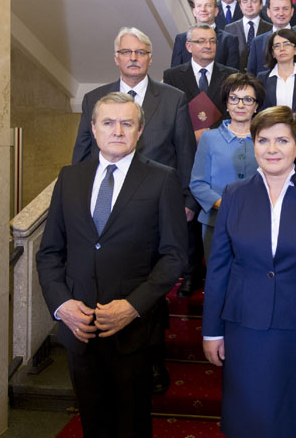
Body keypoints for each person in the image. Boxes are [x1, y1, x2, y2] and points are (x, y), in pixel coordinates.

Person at [38, 92, 187, 437]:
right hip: (79, 328)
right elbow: (49, 253)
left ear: (140, 130)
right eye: (108, 122)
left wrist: (133, 307)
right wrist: (62, 305)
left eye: (126, 123)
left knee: (131, 426)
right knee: (94, 424)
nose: (117, 130)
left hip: (133, 331)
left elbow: (174, 256)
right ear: (93, 128)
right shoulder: (69, 178)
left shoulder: (162, 179)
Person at [202, 106, 296, 438]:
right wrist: (211, 331)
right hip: (245, 327)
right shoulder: (234, 195)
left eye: (282, 140)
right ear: (253, 145)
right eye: (263, 140)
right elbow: (219, 269)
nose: (272, 149)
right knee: (248, 417)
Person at [72, 27, 197, 392]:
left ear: (150, 58)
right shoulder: (94, 98)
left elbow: (185, 152)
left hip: (157, 208)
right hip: (107, 209)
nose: (133, 58)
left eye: (140, 52)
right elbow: (82, 154)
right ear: (116, 58)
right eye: (126, 52)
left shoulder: (173, 98)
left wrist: (188, 201)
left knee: (150, 282)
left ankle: (153, 360)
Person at [189, 73, 262, 259]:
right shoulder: (209, 138)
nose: (240, 105)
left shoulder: (266, 139)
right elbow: (198, 184)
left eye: (248, 99)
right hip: (216, 222)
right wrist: (225, 205)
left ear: (256, 106)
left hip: (258, 220)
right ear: (227, 104)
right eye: (234, 98)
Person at [162, 24, 236, 133]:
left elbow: (233, 113)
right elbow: (170, 114)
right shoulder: (172, 76)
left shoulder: (232, 75)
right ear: (189, 46)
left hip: (222, 137)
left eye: (212, 41)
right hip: (185, 138)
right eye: (201, 41)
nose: (208, 46)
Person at [248, 0, 296, 75]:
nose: (281, 13)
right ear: (268, 12)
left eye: (285, 9)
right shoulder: (257, 43)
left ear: (292, 11)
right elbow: (251, 76)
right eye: (276, 9)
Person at [257, 29, 296, 117]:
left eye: (286, 44)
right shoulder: (262, 79)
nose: (282, 49)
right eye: (277, 46)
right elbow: (260, 112)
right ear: (273, 53)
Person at [170, 0, 241, 68]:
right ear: (194, 11)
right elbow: (175, 72)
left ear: (216, 11)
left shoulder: (229, 40)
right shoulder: (181, 39)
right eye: (199, 6)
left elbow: (233, 73)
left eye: (208, 5)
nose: (203, 9)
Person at [223, 0, 271, 70]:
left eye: (253, 1)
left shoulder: (270, 28)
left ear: (261, 5)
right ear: (240, 6)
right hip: (237, 76)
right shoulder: (229, 29)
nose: (249, 5)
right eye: (245, 1)